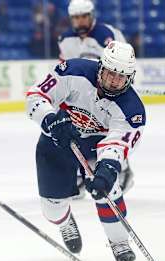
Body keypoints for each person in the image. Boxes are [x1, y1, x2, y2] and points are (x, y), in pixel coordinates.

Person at [26, 41, 145, 261]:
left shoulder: (132, 110)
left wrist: (107, 169)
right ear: (100, 67)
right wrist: (50, 119)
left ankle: (119, 241)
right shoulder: (73, 71)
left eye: (120, 78)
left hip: (94, 149)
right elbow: (35, 96)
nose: (113, 81)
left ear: (130, 78)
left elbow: (116, 144)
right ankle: (65, 221)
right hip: (57, 140)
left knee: (107, 189)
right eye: (110, 74)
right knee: (52, 208)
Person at [57, 0, 132, 199]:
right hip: (82, 93)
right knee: (75, 131)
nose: (80, 21)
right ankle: (80, 173)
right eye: (76, 18)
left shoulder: (109, 35)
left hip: (109, 92)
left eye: (83, 16)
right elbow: (66, 70)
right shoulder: (65, 39)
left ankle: (122, 170)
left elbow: (126, 63)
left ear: (91, 15)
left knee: (110, 132)